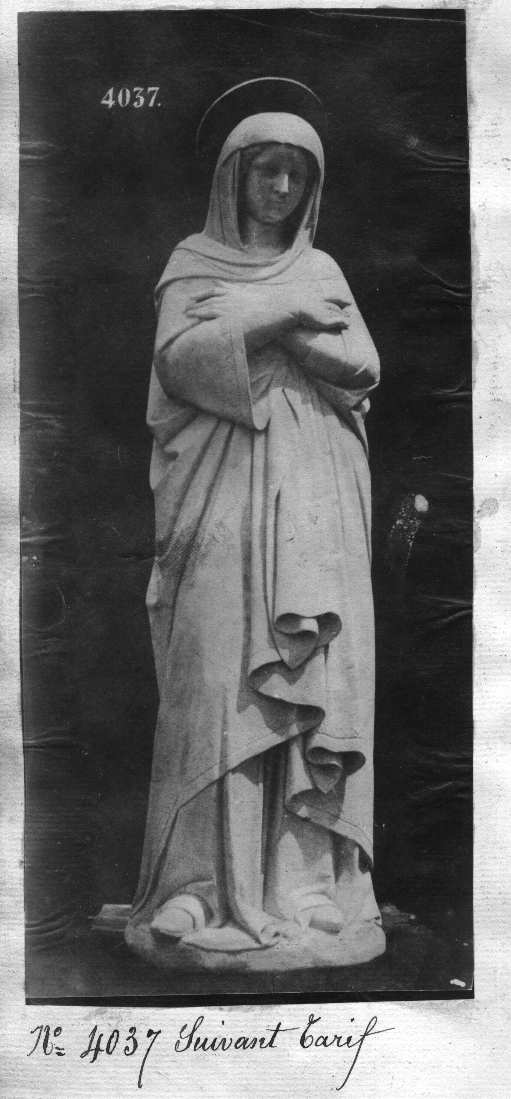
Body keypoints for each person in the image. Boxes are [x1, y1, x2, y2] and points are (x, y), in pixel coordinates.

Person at [126, 87, 385, 966]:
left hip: (311, 499)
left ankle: (303, 887)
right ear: (231, 177)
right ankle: (195, 888)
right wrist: (280, 317)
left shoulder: (322, 270)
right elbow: (181, 364)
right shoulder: (192, 261)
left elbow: (361, 367)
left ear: (310, 188)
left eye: (294, 176)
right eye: (264, 171)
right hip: (221, 495)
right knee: (216, 680)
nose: (277, 188)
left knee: (310, 679)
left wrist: (275, 329)